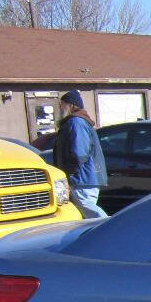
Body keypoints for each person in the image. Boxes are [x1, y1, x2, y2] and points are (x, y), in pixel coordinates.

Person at [52, 90, 108, 219]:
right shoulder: (77, 122)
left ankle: (112, 230)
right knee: (82, 213)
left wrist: (71, 173)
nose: (60, 107)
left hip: (82, 179)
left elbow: (79, 152)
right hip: (83, 177)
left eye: (62, 104)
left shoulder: (76, 122)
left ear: (71, 105)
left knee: (89, 209)